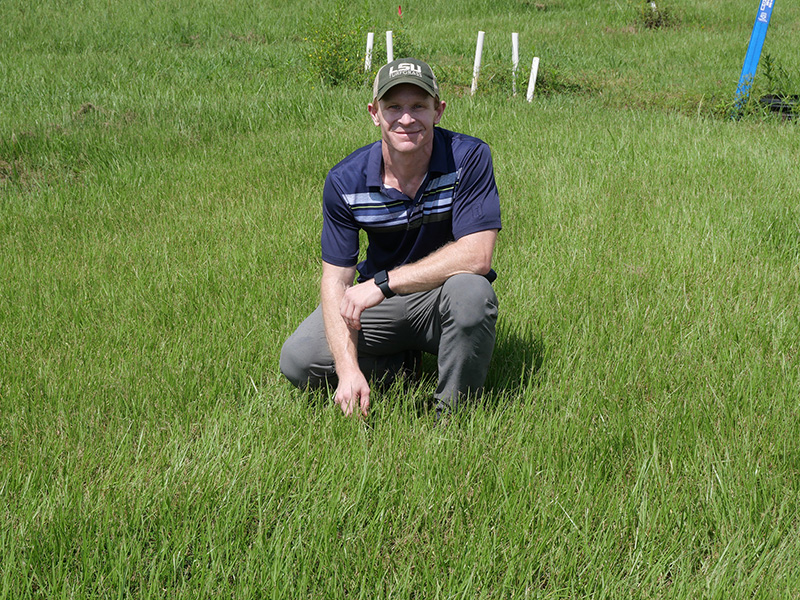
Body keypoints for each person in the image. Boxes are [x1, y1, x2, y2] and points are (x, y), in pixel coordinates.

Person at [280, 58, 501, 418]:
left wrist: (383, 283)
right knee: (297, 361)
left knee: (474, 294)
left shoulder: (468, 158)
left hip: (441, 296)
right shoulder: (345, 182)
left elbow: (477, 255)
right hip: (382, 305)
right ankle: (397, 367)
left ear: (439, 111)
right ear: (374, 113)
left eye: (419, 106)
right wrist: (348, 368)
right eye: (393, 107)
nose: (407, 118)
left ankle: (455, 417)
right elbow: (336, 279)